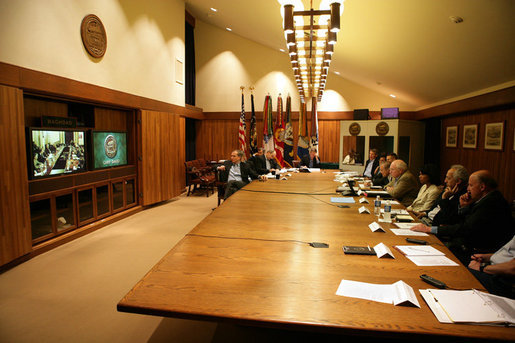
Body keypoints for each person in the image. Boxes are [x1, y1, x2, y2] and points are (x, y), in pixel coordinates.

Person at [411, 170, 514, 264]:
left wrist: (430, 229)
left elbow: (465, 228)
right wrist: (464, 207)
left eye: (470, 185)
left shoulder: (491, 203)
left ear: (482, 187)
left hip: (477, 252)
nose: (468, 189)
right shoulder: (483, 199)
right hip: (467, 245)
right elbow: (462, 222)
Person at [468, 234, 515, 299]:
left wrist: (481, 268)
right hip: (492, 270)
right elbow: (508, 255)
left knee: (461, 274)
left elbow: (512, 269)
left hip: (504, 282)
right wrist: (486, 257)